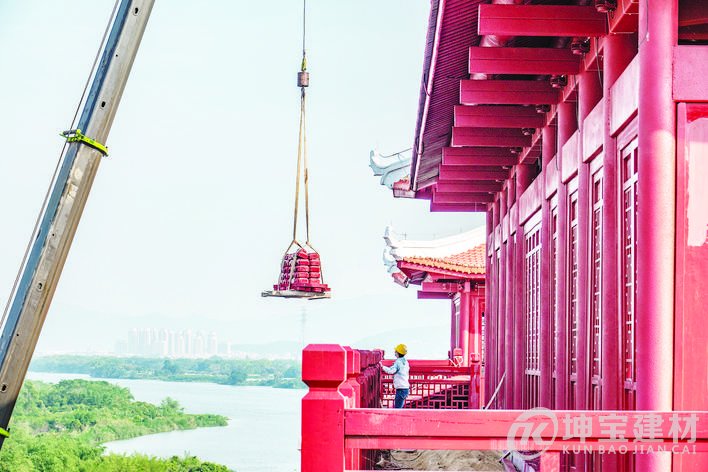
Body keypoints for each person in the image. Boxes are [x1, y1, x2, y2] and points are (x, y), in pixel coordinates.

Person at [381, 344, 410, 408]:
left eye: (395, 351)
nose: (394, 352)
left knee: (397, 409)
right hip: (405, 388)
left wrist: (382, 367)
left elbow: (391, 371)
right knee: (400, 406)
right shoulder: (405, 361)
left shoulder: (398, 362)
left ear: (398, 353)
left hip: (400, 389)